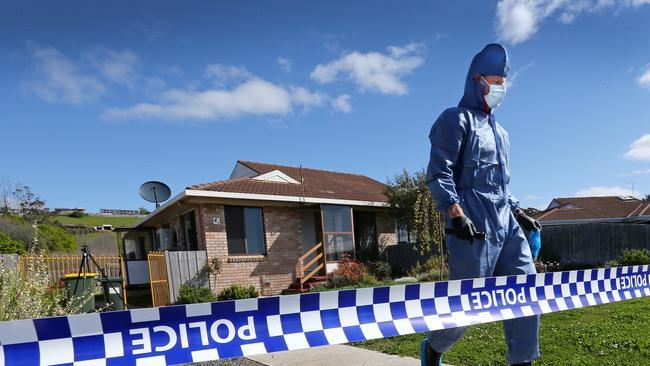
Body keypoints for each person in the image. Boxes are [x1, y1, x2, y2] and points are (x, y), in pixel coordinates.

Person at [421, 43, 542, 366]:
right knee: (466, 306)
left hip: (506, 223)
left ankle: (522, 361)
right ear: (478, 81)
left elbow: (501, 185)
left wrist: (518, 212)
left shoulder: (501, 133)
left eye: (504, 82)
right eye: (496, 81)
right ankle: (434, 347)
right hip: (472, 226)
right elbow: (439, 173)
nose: (501, 88)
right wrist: (454, 212)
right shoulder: (455, 120)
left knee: (526, 293)